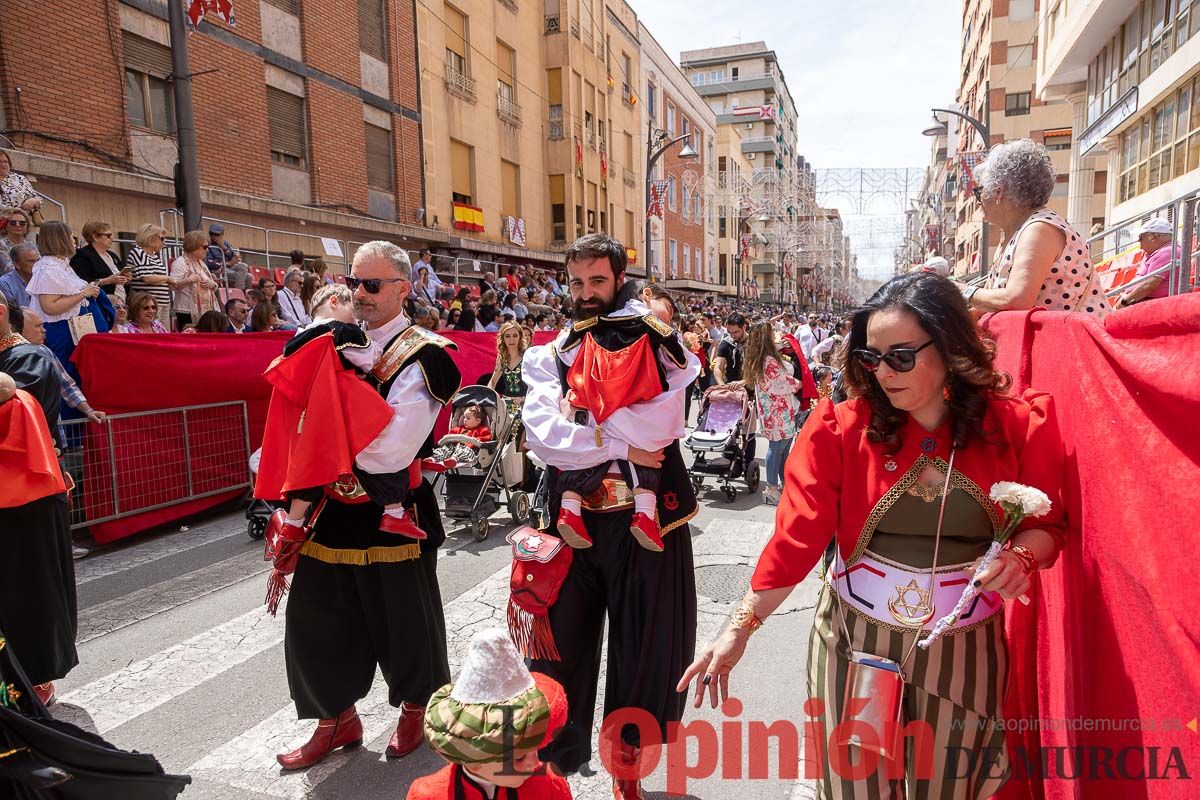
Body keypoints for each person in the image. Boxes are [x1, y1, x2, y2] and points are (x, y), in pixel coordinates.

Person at [679, 272, 1069, 798]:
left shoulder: (1016, 425)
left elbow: (1047, 524)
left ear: (950, 345)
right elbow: (795, 542)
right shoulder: (841, 428)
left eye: (900, 357)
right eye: (870, 358)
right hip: (856, 642)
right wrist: (739, 629)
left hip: (965, 648)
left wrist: (1021, 557)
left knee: (954, 790)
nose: (883, 373)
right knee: (856, 791)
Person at [520, 234, 700, 797]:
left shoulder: (658, 340)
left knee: (646, 647)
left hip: (647, 525)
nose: (585, 293)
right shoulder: (549, 352)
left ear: (620, 278)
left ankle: (627, 770)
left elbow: (661, 427)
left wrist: (592, 431)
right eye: (576, 282)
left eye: (597, 281)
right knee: (561, 649)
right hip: (573, 528)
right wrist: (620, 443)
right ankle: (554, 773)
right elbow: (544, 438)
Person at [272, 240, 459, 770]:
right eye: (354, 282)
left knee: (405, 623)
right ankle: (336, 719)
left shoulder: (428, 356)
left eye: (372, 284)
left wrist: (325, 438)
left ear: (403, 288)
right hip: (331, 511)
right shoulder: (328, 341)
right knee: (317, 621)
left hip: (392, 513)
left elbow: (390, 450)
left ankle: (416, 709)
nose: (360, 294)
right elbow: (294, 413)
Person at [258, 282, 421, 540]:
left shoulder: (296, 338)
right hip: (344, 403)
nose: (356, 321)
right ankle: (394, 511)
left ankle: (293, 523)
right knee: (382, 444)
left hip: (308, 412)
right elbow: (369, 358)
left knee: (307, 468)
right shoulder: (341, 331)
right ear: (334, 302)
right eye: (353, 313)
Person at [554, 267, 692, 553]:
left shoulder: (589, 323)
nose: (667, 317)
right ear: (647, 294)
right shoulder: (653, 325)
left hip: (591, 398)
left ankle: (569, 508)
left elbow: (564, 348)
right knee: (645, 453)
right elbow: (681, 362)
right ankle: (644, 515)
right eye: (666, 309)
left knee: (578, 457)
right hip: (633, 398)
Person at [0, 297, 75, 708]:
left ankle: (33, 677)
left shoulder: (29, 358)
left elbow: (16, 406)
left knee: (27, 589)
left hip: (24, 496)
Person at [409, 629, 571, 800]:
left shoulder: (548, 786)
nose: (534, 763)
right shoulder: (429, 796)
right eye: (520, 757)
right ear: (475, 761)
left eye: (536, 748)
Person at [965, 139, 1110, 317]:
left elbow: (1016, 300)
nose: (978, 201)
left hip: (1069, 340)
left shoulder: (1039, 229)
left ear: (998, 190)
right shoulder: (1017, 232)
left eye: (979, 192)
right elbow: (991, 303)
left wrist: (963, 291)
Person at [27, 222, 112, 367]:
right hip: (62, 331)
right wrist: (84, 293)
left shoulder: (61, 264)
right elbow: (49, 307)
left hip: (72, 329)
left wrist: (89, 291)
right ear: (60, 239)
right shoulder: (49, 268)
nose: (74, 241)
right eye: (71, 237)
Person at [742, 321, 803, 506]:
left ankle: (783, 483)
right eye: (771, 332)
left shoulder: (763, 355)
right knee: (777, 448)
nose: (775, 334)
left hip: (780, 408)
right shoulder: (767, 359)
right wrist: (798, 384)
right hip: (777, 409)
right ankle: (771, 488)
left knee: (783, 448)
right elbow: (781, 382)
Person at [1119, 218, 1179, 306]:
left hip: (1155, 304)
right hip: (1142, 301)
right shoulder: (1156, 252)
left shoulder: (1168, 252)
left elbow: (1149, 285)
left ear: (1154, 237)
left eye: (1140, 237)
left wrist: (1125, 301)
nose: (1139, 242)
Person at [127, 223, 177, 328]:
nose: (163, 242)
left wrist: (161, 279)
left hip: (162, 302)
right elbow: (147, 278)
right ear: (150, 237)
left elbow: (155, 277)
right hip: (148, 304)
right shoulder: (138, 252)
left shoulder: (154, 256)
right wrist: (167, 278)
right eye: (162, 238)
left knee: (164, 333)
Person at [169, 230, 219, 331]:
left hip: (206, 311)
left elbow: (213, 284)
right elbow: (172, 285)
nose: (207, 250)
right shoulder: (180, 263)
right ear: (194, 246)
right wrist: (189, 280)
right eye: (205, 247)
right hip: (187, 310)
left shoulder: (201, 264)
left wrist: (213, 285)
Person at [70, 221, 131, 302]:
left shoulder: (112, 255)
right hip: (101, 301)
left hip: (121, 300)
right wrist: (107, 281)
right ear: (95, 237)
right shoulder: (82, 255)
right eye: (108, 236)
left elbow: (119, 279)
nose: (112, 239)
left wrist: (126, 279)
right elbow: (81, 281)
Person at [480, 320, 528, 398]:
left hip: (526, 404)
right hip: (506, 404)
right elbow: (493, 381)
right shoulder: (502, 358)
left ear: (520, 337)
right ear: (503, 338)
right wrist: (485, 398)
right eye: (507, 336)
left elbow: (536, 383)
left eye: (515, 335)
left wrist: (524, 399)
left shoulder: (527, 356)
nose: (511, 340)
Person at [204, 223, 249, 290]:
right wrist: (229, 263)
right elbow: (210, 264)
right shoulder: (207, 244)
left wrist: (224, 248)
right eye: (211, 233)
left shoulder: (225, 243)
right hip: (218, 270)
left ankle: (248, 297)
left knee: (243, 266)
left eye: (216, 234)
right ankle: (239, 294)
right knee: (248, 277)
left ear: (222, 234)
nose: (213, 236)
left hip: (229, 267)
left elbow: (233, 257)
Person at [0, 151, 42, 218]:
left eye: (5, 162)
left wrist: (33, 201)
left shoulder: (19, 179)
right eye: (0, 161)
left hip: (17, 223)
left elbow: (38, 199)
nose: (3, 164)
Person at [711, 311, 747, 385]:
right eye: (729, 332)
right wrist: (722, 385)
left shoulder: (753, 343)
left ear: (744, 327)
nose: (732, 336)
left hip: (752, 389)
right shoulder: (726, 342)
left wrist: (743, 382)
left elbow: (759, 370)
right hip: (731, 388)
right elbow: (718, 367)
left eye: (736, 332)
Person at [0, 242, 37, 309]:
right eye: (30, 261)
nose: (36, 264)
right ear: (17, 264)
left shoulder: (40, 279)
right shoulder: (5, 283)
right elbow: (13, 313)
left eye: (37, 261)